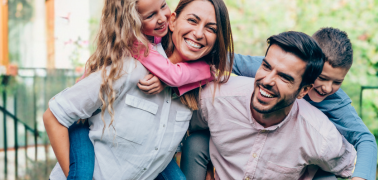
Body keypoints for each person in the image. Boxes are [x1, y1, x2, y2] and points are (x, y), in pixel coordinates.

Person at [42, 0, 234, 179]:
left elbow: (160, 152)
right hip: (82, 135)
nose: (199, 33)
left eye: (211, 28)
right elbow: (55, 114)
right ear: (173, 21)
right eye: (192, 20)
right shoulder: (131, 63)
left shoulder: (200, 88)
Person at [181, 28, 377, 180]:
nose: (327, 88)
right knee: (197, 141)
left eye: (337, 82)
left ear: (304, 88)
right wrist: (176, 69)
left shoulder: (335, 104)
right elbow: (225, 60)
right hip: (245, 146)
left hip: (302, 158)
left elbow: (365, 139)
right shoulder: (271, 69)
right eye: (323, 77)